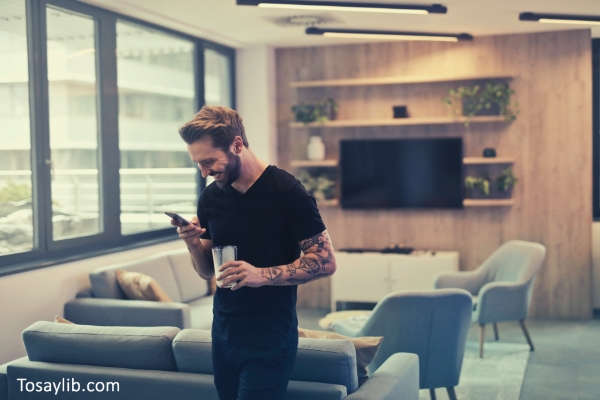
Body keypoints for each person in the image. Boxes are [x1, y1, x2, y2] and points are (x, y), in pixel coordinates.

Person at [172, 105, 337, 400]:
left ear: (237, 144)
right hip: (223, 331)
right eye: (198, 164)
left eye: (209, 162)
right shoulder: (210, 197)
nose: (204, 172)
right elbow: (208, 271)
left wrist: (261, 275)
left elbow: (325, 262)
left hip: (271, 334)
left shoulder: (287, 191)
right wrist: (193, 243)